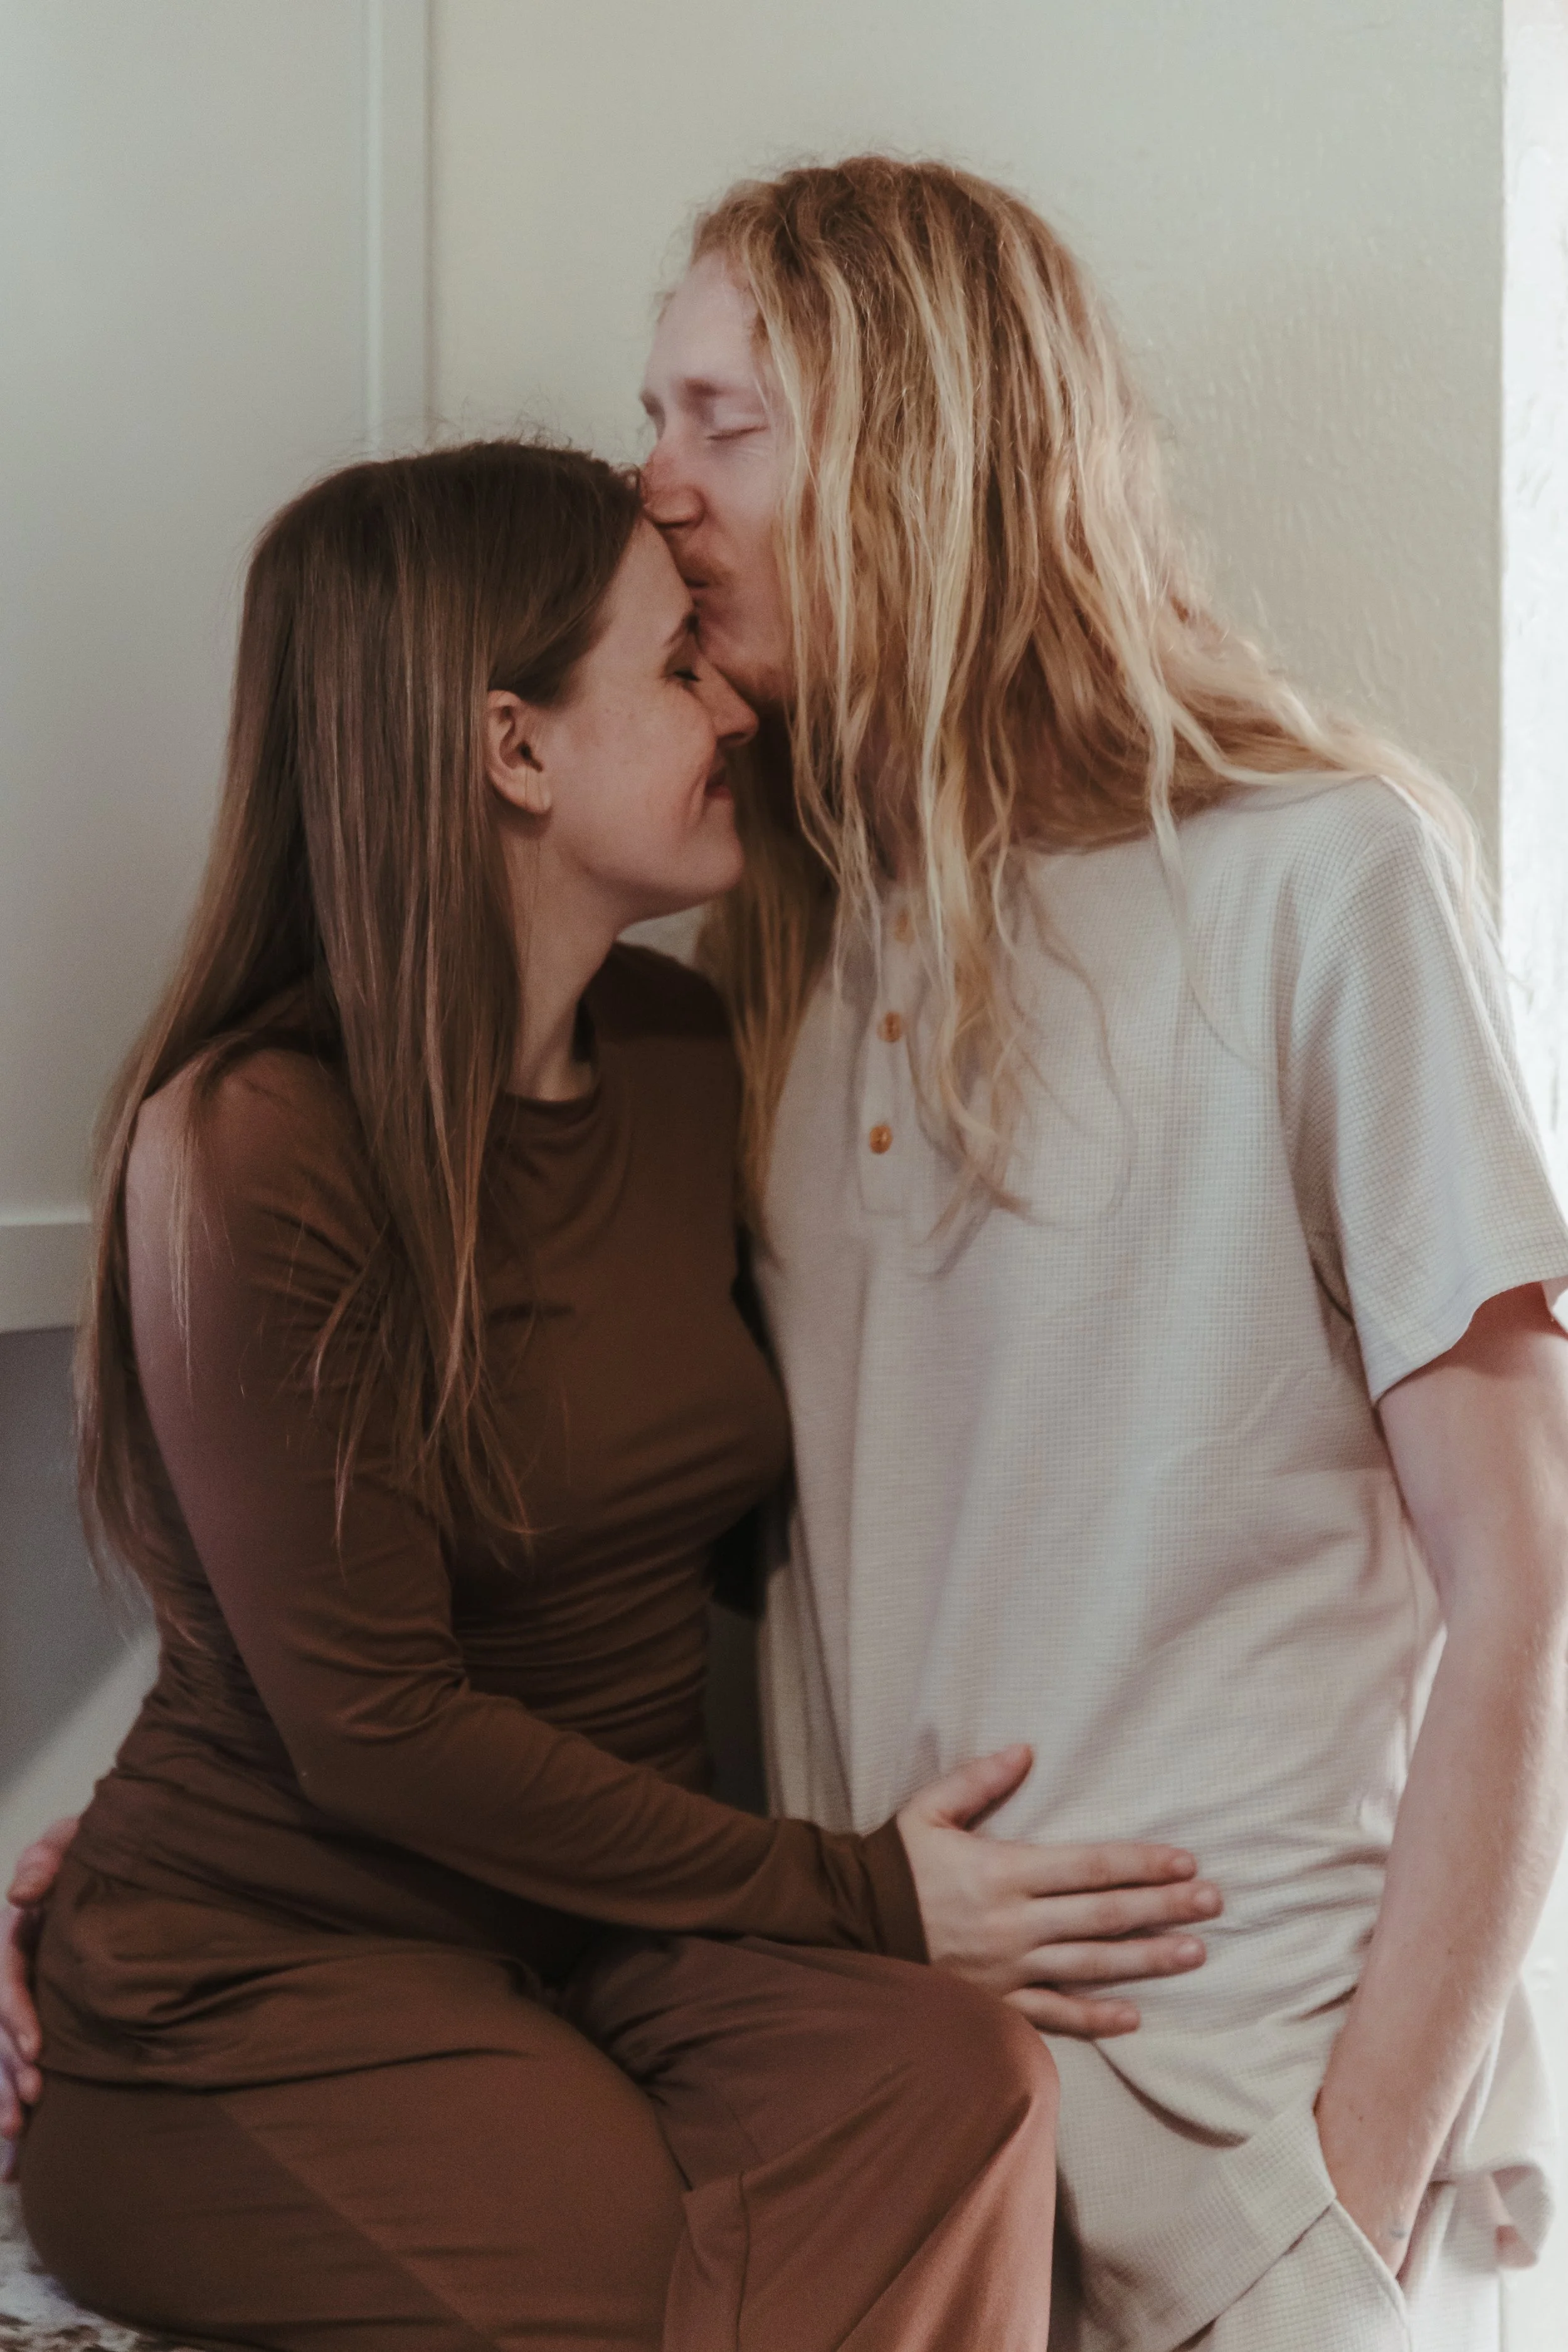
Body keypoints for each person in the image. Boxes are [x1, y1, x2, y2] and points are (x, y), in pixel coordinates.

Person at [0, 436, 1227, 2352]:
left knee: (957, 2082)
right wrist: (862, 1888)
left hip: (599, 1942)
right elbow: (378, 1728)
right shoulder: (249, 1145)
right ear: (513, 749)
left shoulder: (681, 1055)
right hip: (256, 1982)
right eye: (672, 666)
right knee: (643, 2287)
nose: (730, 697)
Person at [627, 160, 1568, 2349]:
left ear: (914, 442)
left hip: (1251, 2146)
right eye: (650, 415)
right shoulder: (783, 927)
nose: (652, 483)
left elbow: (1524, 1568)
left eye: (718, 421)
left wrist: (1345, 2186)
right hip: (908, 2136)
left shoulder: (1318, 876)